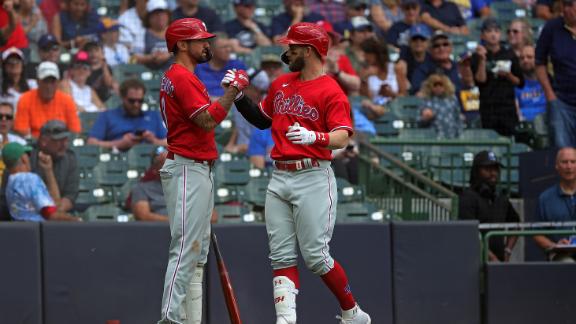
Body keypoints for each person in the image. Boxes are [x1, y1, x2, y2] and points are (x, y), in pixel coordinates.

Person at [229, 22, 371, 324]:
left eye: (293, 46)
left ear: (308, 50)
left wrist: (314, 138)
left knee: (316, 257)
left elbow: (343, 136)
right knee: (280, 256)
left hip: (313, 176)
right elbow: (263, 120)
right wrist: (240, 98)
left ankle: (352, 312)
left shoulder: (331, 89)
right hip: (280, 175)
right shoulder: (281, 83)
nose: (287, 50)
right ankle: (286, 319)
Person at [157, 18, 248, 324]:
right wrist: (233, 93)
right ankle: (170, 319)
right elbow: (206, 120)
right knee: (185, 250)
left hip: (194, 166)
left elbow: (202, 113)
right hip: (187, 167)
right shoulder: (181, 77)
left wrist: (225, 95)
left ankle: (190, 320)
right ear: (182, 44)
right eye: (200, 40)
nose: (206, 44)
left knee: (196, 255)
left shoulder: (181, 76)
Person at [459, 151, 520, 262]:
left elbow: (516, 224)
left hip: (498, 263)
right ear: (476, 172)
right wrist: (491, 258)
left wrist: (507, 251)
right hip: (473, 263)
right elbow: (469, 234)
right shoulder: (467, 197)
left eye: (496, 169)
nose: (493, 173)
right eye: (487, 169)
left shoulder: (501, 198)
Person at [470, 18, 523, 137]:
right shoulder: (476, 56)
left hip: (507, 108)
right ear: (482, 35)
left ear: (500, 34)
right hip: (488, 108)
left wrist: (508, 75)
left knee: (510, 140)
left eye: (496, 31)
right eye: (489, 31)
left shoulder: (510, 54)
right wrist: (482, 59)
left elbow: (520, 82)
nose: (493, 34)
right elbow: (480, 80)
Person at [2, 142, 79, 221]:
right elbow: (50, 213)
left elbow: (55, 204)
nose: (29, 158)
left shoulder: (10, 182)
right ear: (23, 159)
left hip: (20, 229)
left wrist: (48, 170)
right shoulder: (30, 179)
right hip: (40, 229)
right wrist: (75, 220)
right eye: (27, 155)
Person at [535, 0, 576, 148]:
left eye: (571, 5)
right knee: (562, 150)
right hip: (561, 101)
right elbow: (539, 62)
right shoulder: (552, 27)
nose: (567, 9)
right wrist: (549, 94)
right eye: (565, 5)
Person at [87, 79, 167, 151]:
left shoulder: (153, 115)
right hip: (117, 160)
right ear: (122, 98)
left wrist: (154, 141)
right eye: (131, 101)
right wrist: (120, 143)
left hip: (151, 159)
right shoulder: (107, 116)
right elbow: (91, 143)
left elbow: (170, 142)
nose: (136, 104)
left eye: (140, 101)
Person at [14, 61, 81, 138]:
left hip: (61, 143)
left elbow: (75, 130)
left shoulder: (67, 100)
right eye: (45, 81)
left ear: (58, 82)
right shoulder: (25, 99)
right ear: (38, 82)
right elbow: (22, 130)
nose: (49, 86)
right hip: (34, 144)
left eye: (52, 82)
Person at [535, 147, 576, 262]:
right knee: (568, 263)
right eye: (564, 162)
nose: (569, 166)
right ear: (557, 166)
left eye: (573, 162)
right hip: (560, 255)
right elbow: (536, 233)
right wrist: (555, 245)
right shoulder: (545, 198)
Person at [30, 120, 79, 213]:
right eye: (59, 141)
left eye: (66, 140)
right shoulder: (27, 157)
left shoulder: (70, 158)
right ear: (44, 141)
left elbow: (70, 196)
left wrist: (57, 211)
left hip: (58, 214)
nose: (64, 145)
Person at [360, 37, 405, 105]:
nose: (365, 56)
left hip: (395, 109)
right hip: (373, 110)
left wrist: (392, 94)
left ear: (377, 54)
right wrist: (364, 80)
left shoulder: (396, 69)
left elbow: (404, 95)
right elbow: (365, 99)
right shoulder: (365, 71)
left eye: (368, 53)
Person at [418, 73, 463, 138]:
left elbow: (458, 118)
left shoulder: (452, 100)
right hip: (433, 138)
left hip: (452, 136)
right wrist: (425, 118)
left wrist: (460, 135)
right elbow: (418, 122)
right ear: (430, 86)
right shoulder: (426, 101)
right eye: (435, 85)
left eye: (441, 85)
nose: (438, 87)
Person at [130, 145, 168, 221]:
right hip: (158, 230)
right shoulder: (141, 188)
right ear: (154, 169)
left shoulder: (189, 187)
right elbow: (143, 216)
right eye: (163, 164)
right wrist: (177, 224)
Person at [134, 0, 172, 70]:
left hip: (177, 75)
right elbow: (134, 58)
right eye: (156, 14)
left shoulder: (177, 31)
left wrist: (169, 54)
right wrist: (152, 57)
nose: (160, 16)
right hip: (150, 75)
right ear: (149, 17)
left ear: (168, 15)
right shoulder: (142, 34)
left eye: (163, 13)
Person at [515, 45, 546, 122]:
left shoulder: (549, 82)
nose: (525, 60)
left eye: (529, 57)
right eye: (522, 58)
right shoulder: (515, 85)